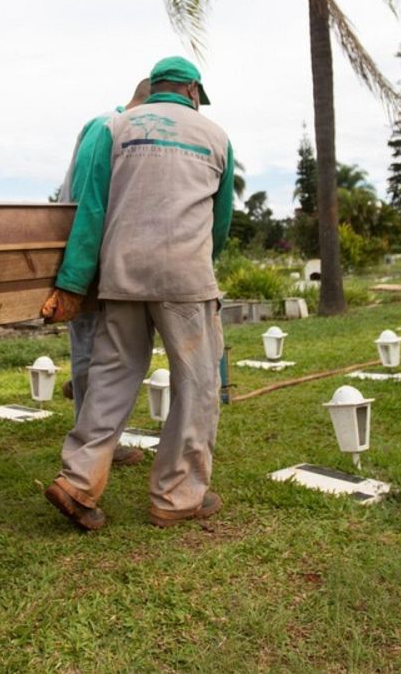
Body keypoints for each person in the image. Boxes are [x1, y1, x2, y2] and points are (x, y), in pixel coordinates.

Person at [40, 56, 234, 531]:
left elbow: (92, 210)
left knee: (110, 379)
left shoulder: (116, 127)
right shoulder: (215, 135)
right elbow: (221, 223)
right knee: (196, 388)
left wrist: (72, 282)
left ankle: (78, 481)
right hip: (184, 278)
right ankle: (177, 497)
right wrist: (201, 264)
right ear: (192, 91)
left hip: (121, 275)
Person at [57, 78, 153, 468]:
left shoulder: (120, 128)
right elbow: (84, 198)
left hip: (107, 255)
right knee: (90, 351)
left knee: (106, 353)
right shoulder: (106, 127)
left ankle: (98, 441)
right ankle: (90, 447)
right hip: (88, 255)